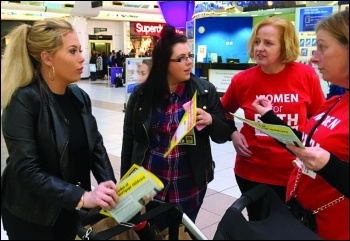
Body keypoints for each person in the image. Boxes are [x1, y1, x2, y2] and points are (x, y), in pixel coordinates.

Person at [1, 18, 119, 240]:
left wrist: (109, 185)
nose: (82, 58)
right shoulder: (23, 101)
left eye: (80, 50)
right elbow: (27, 169)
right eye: (73, 51)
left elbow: (96, 146)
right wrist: (82, 197)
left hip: (68, 206)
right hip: (33, 215)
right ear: (47, 58)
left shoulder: (79, 96)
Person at [121, 25, 233, 227]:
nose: (189, 62)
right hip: (149, 185)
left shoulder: (204, 91)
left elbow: (223, 135)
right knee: (151, 232)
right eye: (181, 58)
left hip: (188, 184)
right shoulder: (142, 94)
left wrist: (211, 120)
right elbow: (129, 140)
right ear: (164, 63)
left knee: (182, 232)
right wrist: (126, 186)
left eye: (189, 56)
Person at [252, 10, 349, 240]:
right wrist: (269, 118)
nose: (314, 57)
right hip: (304, 220)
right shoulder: (336, 100)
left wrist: (327, 164)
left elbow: (324, 160)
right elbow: (304, 145)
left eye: (322, 47)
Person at [220, 16, 326, 221]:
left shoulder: (305, 76)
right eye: (257, 41)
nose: (260, 48)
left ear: (285, 46)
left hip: (295, 173)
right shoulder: (242, 80)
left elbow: (318, 119)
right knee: (259, 225)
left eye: (268, 43)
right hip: (252, 171)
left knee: (292, 228)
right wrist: (232, 133)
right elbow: (222, 111)